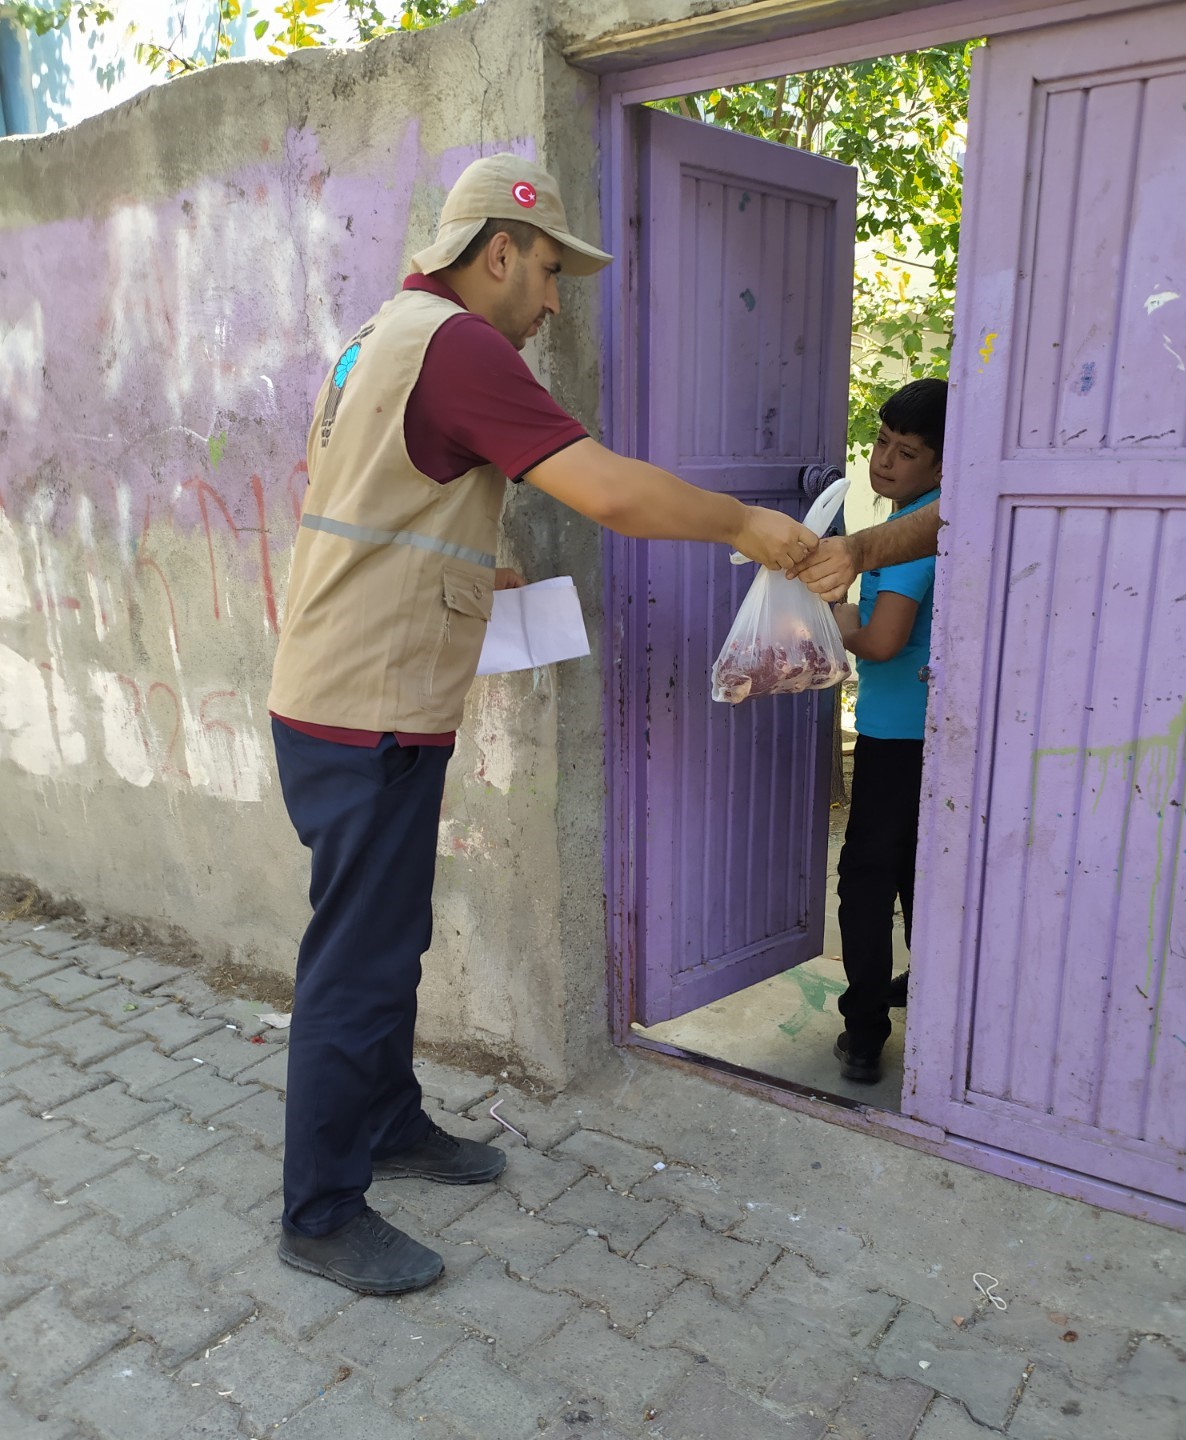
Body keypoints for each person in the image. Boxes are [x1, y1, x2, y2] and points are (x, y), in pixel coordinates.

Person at [266, 154, 819, 1296]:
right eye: (551, 272)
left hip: (345, 692)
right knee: (356, 964)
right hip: (365, 705)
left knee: (387, 941)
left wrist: (480, 565)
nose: (554, 302)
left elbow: (364, 493)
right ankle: (319, 1212)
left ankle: (390, 1127)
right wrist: (751, 527)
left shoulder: (380, 335)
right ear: (499, 248)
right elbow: (608, 492)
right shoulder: (458, 342)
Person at [828, 378, 947, 1084]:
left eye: (906, 453)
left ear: (940, 468)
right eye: (881, 445)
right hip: (933, 737)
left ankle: (865, 1028)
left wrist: (837, 615)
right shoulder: (930, 519)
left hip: (895, 738)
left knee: (866, 882)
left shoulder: (909, 542)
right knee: (917, 876)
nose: (885, 463)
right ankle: (923, 992)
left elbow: (880, 642)